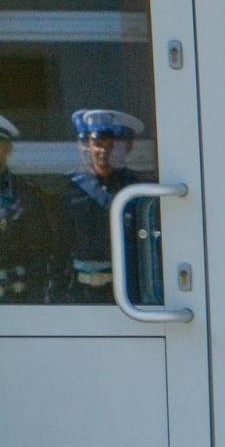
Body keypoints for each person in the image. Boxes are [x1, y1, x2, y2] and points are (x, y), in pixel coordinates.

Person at [59, 108, 160, 304]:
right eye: (97, 144)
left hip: (131, 292)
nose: (104, 151)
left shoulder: (140, 189)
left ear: (128, 147)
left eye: (112, 145)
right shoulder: (72, 190)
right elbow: (59, 246)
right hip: (79, 292)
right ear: (88, 145)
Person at [0, 114, 63, 303]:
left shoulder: (26, 193)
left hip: (15, 294)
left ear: (8, 149)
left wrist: (35, 300)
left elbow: (39, 252)